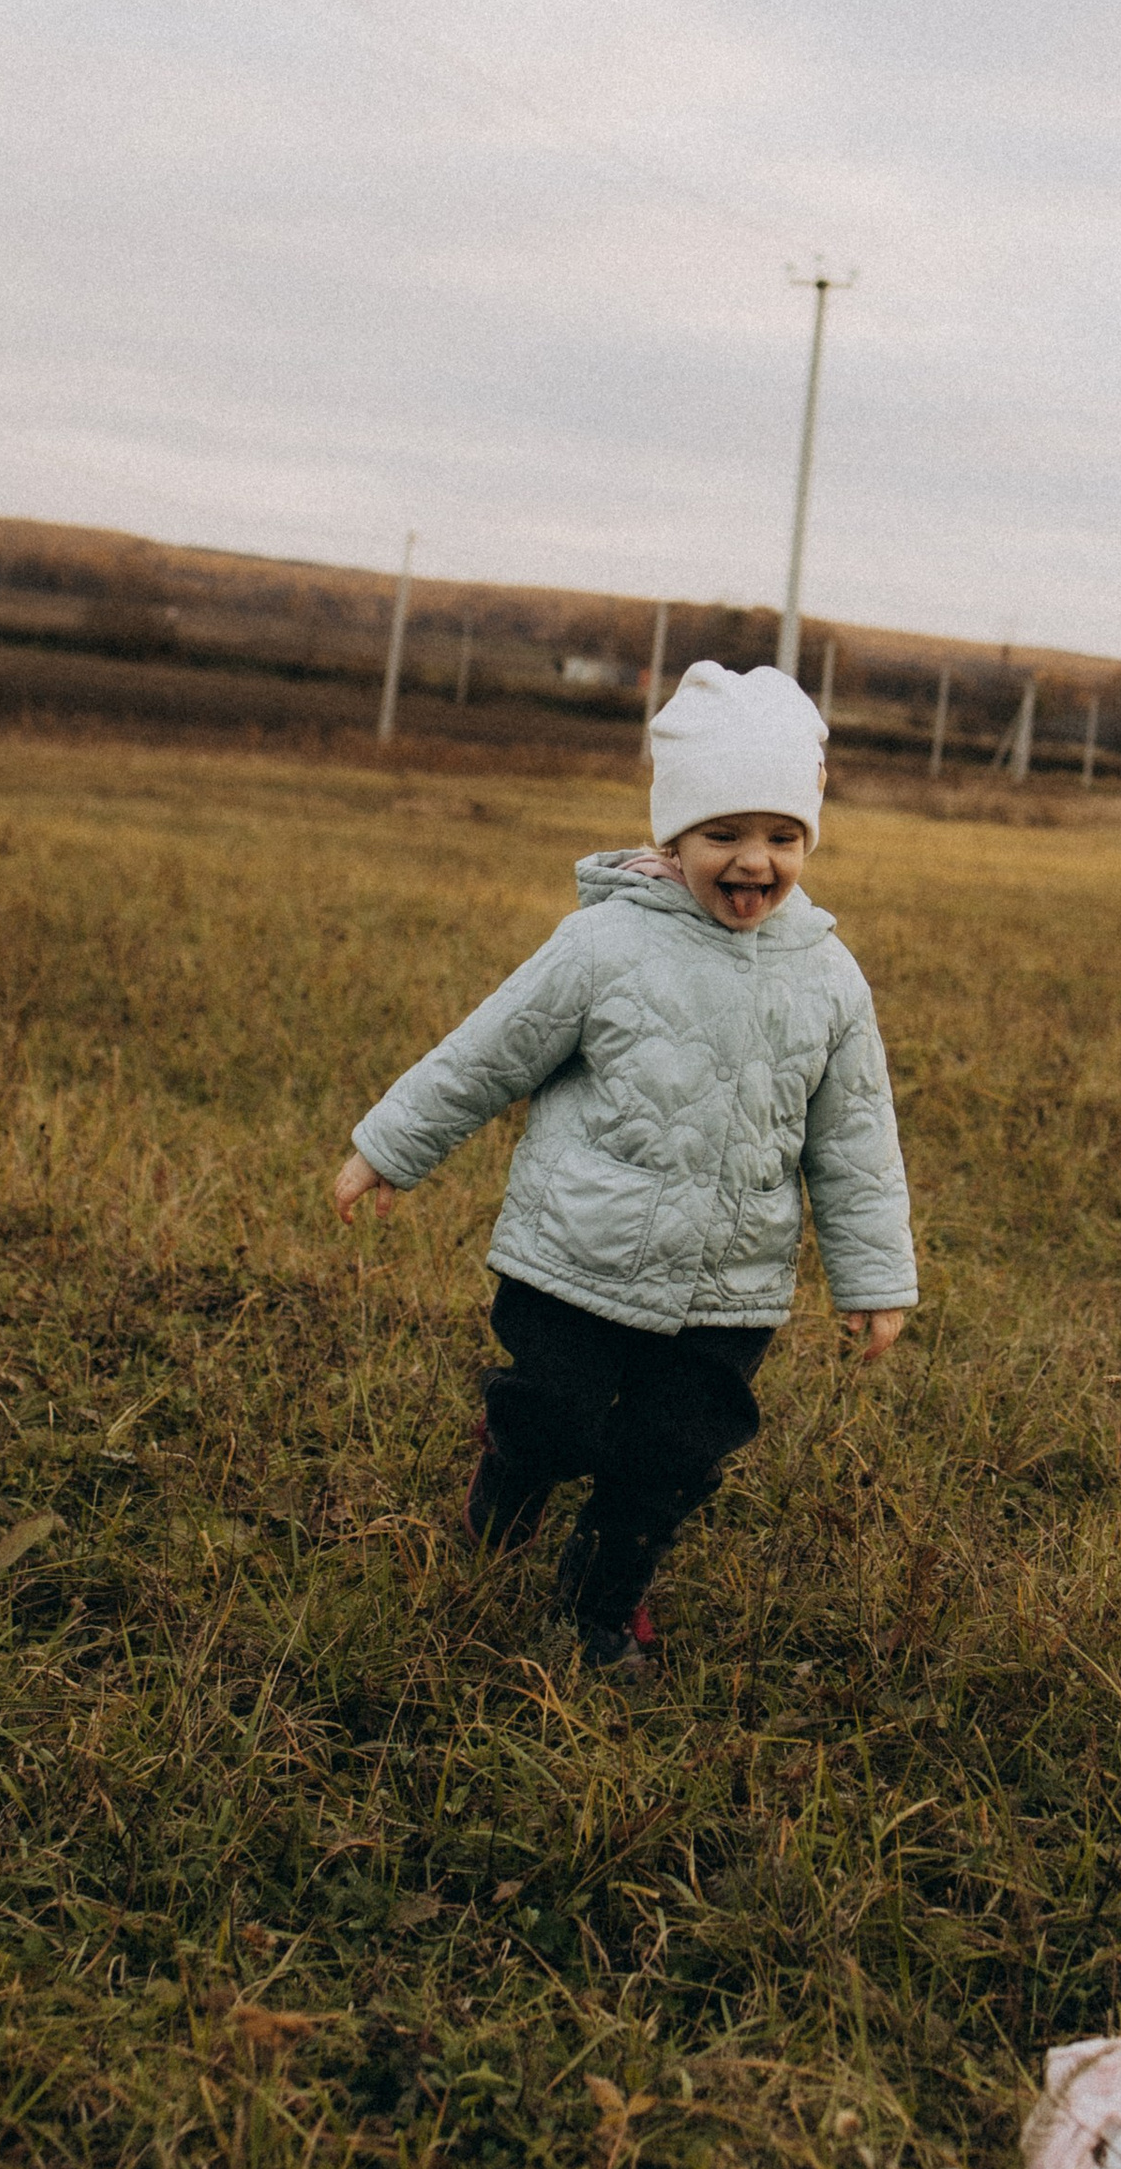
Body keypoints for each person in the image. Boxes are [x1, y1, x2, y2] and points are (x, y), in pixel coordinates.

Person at [332, 660, 917, 1682]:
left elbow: (855, 1137)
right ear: (672, 837)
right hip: (574, 1264)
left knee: (671, 1459)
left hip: (726, 1294)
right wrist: (390, 1145)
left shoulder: (826, 973)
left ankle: (602, 1604)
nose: (754, 861)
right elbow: (488, 1053)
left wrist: (873, 1279)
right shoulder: (603, 944)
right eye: (724, 834)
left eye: (781, 837)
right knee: (553, 1419)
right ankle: (511, 1473)